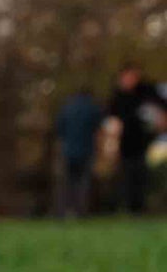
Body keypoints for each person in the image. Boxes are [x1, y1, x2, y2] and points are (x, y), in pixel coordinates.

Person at [105, 65, 166, 213]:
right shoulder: (118, 96)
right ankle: (129, 206)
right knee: (127, 173)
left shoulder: (147, 91)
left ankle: (139, 206)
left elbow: (161, 107)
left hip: (145, 140)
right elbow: (111, 118)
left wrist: (161, 120)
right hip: (126, 142)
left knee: (141, 172)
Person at [55, 86, 103, 215]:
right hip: (86, 150)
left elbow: (59, 129)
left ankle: (64, 210)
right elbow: (99, 128)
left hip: (68, 150)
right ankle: (80, 211)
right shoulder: (93, 109)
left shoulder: (66, 108)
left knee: (67, 182)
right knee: (83, 182)